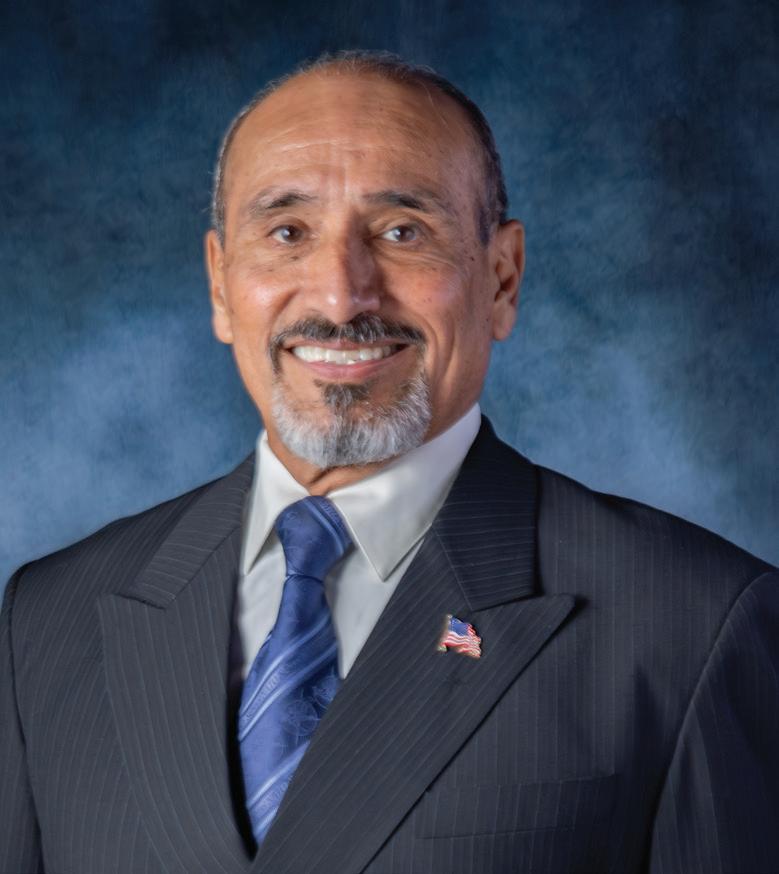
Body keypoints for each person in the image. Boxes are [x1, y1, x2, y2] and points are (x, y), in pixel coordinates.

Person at [1, 50, 777, 874]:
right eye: (287, 232)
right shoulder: (48, 619)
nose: (341, 298)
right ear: (222, 287)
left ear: (501, 280)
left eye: (402, 232)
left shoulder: (693, 625)